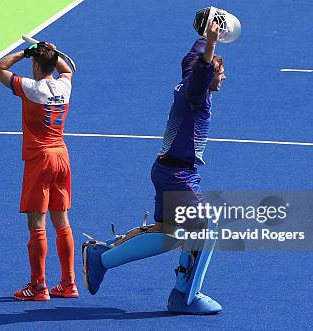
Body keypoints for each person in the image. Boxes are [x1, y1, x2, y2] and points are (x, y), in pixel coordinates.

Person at [82, 21, 227, 314]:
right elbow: (201, 68)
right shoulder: (196, 95)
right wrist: (211, 45)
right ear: (209, 71)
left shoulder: (187, 80)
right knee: (203, 227)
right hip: (177, 174)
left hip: (168, 170)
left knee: (170, 233)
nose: (224, 78)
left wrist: (205, 35)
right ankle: (186, 295)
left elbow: (192, 59)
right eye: (220, 72)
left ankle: (102, 257)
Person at [0, 41, 78, 301]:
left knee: (36, 224)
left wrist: (23, 52)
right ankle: (68, 283)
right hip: (62, 157)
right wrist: (53, 52)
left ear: (36, 65)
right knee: (61, 221)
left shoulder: (31, 88)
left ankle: (38, 287)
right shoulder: (65, 86)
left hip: (39, 160)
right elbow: (67, 70)